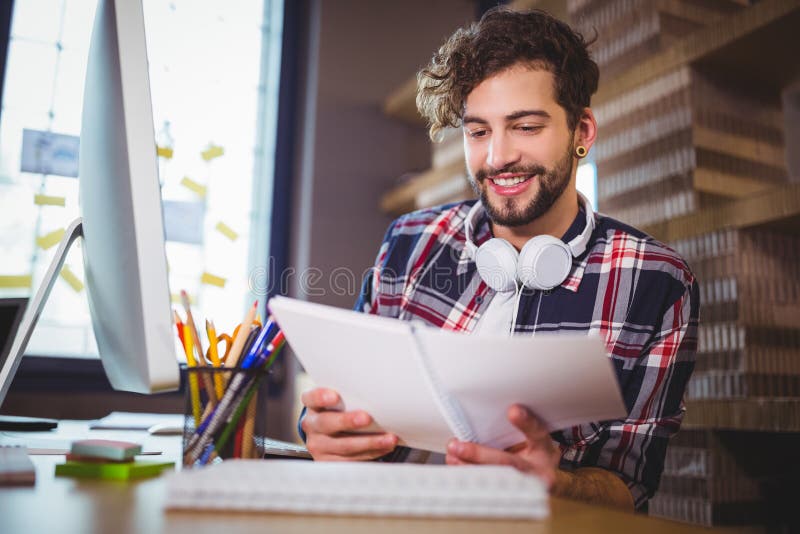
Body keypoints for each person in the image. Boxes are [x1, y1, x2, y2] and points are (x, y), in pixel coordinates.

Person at [299, 7, 698, 512]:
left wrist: (559, 483)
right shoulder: (410, 239)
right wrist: (326, 431)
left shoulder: (657, 281)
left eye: (526, 127)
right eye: (478, 132)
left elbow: (631, 482)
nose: (496, 157)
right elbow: (345, 405)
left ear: (583, 131)